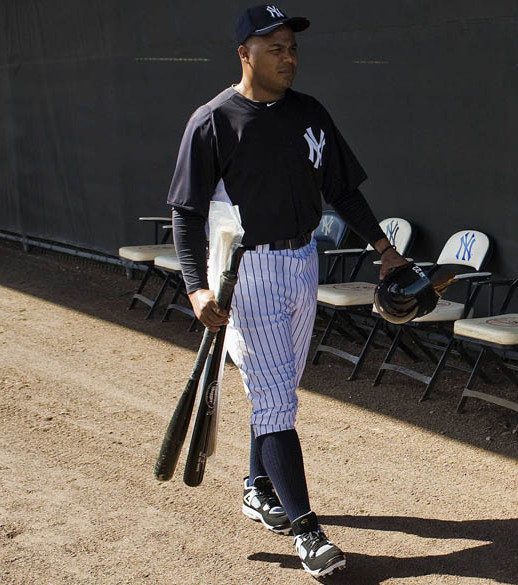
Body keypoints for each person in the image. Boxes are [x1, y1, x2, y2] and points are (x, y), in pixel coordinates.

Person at [165, 4, 407, 578]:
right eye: (274, 48)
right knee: (276, 401)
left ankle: (257, 486)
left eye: (292, 47)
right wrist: (196, 288)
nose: (288, 57)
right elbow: (185, 212)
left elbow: (343, 191)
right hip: (246, 271)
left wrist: (386, 250)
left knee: (277, 387)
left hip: (303, 262)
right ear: (244, 54)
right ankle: (306, 530)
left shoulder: (309, 113)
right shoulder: (214, 120)